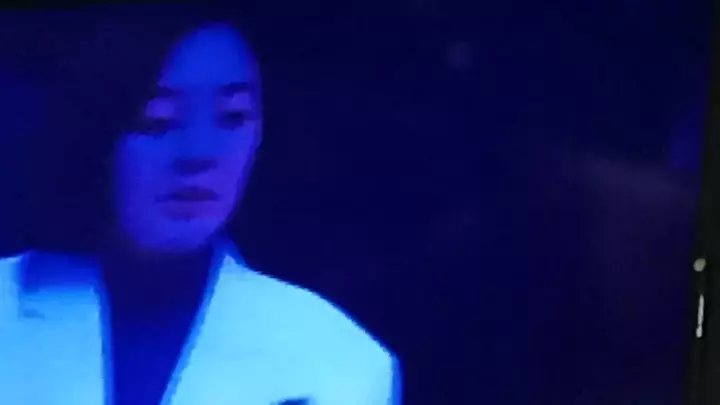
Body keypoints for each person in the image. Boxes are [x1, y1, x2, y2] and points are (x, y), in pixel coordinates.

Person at [0, 8, 400, 405]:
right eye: (158, 120)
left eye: (232, 117)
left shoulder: (336, 358)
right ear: (98, 126)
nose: (199, 153)